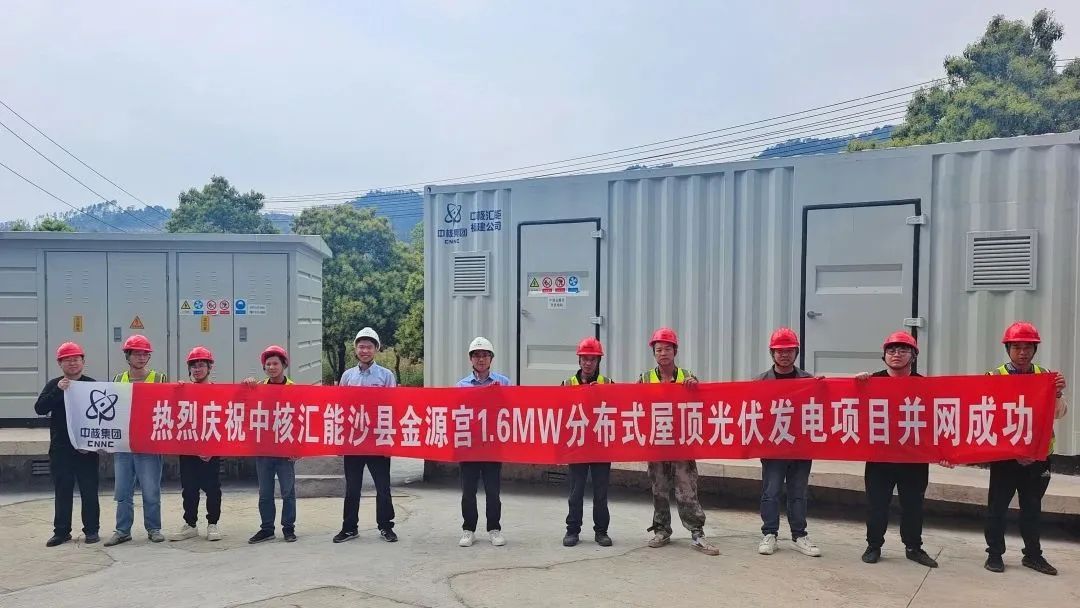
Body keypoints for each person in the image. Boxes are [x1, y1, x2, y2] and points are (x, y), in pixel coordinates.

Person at [983, 321, 1069, 576]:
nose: (1023, 352)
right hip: (1006, 458)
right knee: (997, 508)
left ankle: (1033, 555)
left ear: (1035, 349)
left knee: (1032, 508)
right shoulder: (994, 377)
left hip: (1037, 457)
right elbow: (987, 417)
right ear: (1008, 349)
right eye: (1017, 347)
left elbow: (1059, 414)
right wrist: (1013, 452)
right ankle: (994, 554)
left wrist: (1057, 394)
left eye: (1028, 347)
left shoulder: (1047, 376)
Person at [855, 331, 938, 568]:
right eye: (891, 350)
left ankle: (913, 547)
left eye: (903, 350)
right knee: (877, 504)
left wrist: (943, 453)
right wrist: (856, 384)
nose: (897, 354)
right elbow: (844, 402)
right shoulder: (870, 382)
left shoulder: (924, 386)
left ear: (913, 355)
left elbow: (936, 421)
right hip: (880, 458)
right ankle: (873, 545)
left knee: (913, 505)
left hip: (913, 458)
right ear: (884, 356)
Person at [638, 327, 719, 556]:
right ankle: (662, 530)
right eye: (658, 349)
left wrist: (695, 389)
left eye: (667, 349)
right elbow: (634, 406)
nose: (663, 353)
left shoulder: (687, 376)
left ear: (675, 351)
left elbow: (702, 405)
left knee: (687, 488)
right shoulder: (645, 379)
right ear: (654, 353)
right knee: (659, 488)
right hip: (657, 442)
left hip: (683, 443)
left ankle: (697, 532)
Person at [756, 327, 821, 557]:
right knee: (771, 492)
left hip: (800, 447)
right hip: (773, 447)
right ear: (772, 353)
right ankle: (769, 533)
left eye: (789, 350)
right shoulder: (760, 382)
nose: (784, 355)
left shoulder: (809, 381)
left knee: (798, 492)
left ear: (796, 352)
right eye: (779, 351)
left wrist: (824, 388)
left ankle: (799, 535)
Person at [334, 327, 399, 544]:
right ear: (356, 349)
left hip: (377, 440)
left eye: (369, 347)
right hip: (353, 441)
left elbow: (392, 409)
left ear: (376, 349)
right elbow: (340, 409)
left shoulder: (386, 376)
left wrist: (389, 442)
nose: (365, 351)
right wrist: (340, 440)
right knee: (352, 488)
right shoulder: (348, 376)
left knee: (383, 487)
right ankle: (349, 528)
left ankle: (386, 526)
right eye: (361, 346)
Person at [34, 342, 100, 547]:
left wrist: (94, 444)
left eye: (76, 359)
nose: (72, 363)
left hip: (86, 448)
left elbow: (102, 416)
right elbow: (39, 408)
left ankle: (92, 530)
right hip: (61, 448)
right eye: (67, 360)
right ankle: (61, 532)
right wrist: (58, 391)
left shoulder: (91, 385)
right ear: (60, 363)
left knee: (89, 491)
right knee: (63, 490)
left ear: (83, 362)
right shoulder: (54, 384)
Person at [105, 335, 167, 547]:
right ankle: (122, 530)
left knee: (151, 490)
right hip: (124, 444)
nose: (141, 357)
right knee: (123, 490)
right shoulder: (117, 379)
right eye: (137, 354)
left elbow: (170, 404)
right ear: (128, 356)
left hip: (149, 444)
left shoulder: (159, 379)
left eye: (145, 354)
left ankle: (154, 528)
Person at [456, 336, 510, 548]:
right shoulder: (461, 386)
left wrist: (498, 395)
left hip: (492, 445)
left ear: (491, 359)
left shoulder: (503, 383)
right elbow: (455, 414)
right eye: (477, 355)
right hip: (469, 445)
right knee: (468, 491)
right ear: (471, 359)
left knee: (493, 491)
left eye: (485, 355)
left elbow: (512, 410)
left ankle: (494, 529)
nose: (481, 359)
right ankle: (468, 529)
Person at [167, 346, 223, 542]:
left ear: (209, 367)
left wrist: (211, 448)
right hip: (188, 447)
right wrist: (177, 391)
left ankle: (212, 524)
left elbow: (224, 418)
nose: (197, 369)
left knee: (212, 488)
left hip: (211, 447)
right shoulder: (184, 389)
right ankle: (190, 524)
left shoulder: (218, 391)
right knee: (189, 488)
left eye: (201, 365)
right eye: (194, 366)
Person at [243, 345, 298, 544]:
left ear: (284, 365)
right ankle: (267, 529)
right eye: (268, 364)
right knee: (265, 493)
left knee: (288, 492)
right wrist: (246, 386)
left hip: (285, 450)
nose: (272, 367)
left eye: (275, 363)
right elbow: (241, 404)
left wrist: (298, 448)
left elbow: (300, 420)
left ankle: (288, 528)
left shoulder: (294, 389)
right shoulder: (258, 387)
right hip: (264, 450)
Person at [562, 337, 613, 548]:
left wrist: (601, 394)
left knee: (601, 493)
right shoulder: (567, 384)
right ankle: (572, 530)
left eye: (593, 359)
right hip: (578, 446)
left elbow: (617, 412)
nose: (588, 363)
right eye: (585, 359)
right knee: (576, 492)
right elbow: (560, 413)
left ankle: (601, 531)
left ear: (598, 361)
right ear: (579, 360)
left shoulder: (608, 384)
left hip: (600, 446)